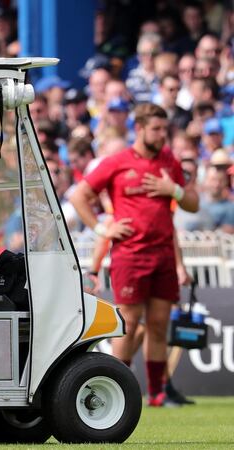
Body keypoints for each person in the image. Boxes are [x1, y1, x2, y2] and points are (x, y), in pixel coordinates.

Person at [70, 103, 199, 407]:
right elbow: (78, 196)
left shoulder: (169, 162)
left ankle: (157, 393)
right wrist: (102, 229)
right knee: (128, 322)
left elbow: (193, 203)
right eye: (156, 129)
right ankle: (117, 390)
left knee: (157, 323)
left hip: (164, 254)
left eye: (164, 129)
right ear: (139, 129)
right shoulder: (118, 162)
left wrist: (174, 190)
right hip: (130, 255)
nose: (162, 135)